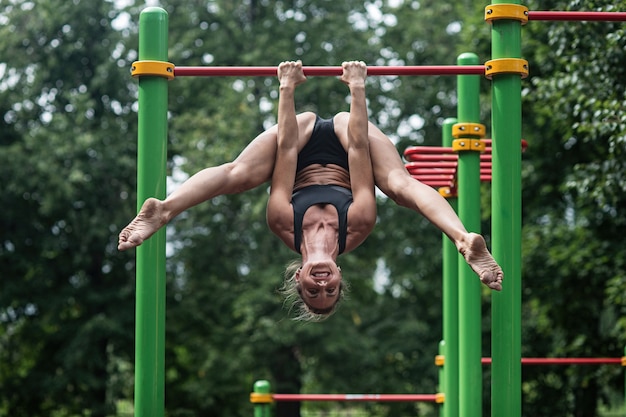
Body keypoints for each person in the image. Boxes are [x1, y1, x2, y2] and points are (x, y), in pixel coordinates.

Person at [118, 60, 503, 321]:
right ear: (340, 278)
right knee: (400, 186)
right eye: (330, 292)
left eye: (313, 292)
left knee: (239, 175)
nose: (322, 287)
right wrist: (357, 88)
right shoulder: (359, 224)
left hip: (297, 137)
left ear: (297, 277)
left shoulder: (283, 223)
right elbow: (357, 149)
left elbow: (286, 151)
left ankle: (165, 209)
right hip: (350, 138)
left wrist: (286, 88)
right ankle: (462, 239)